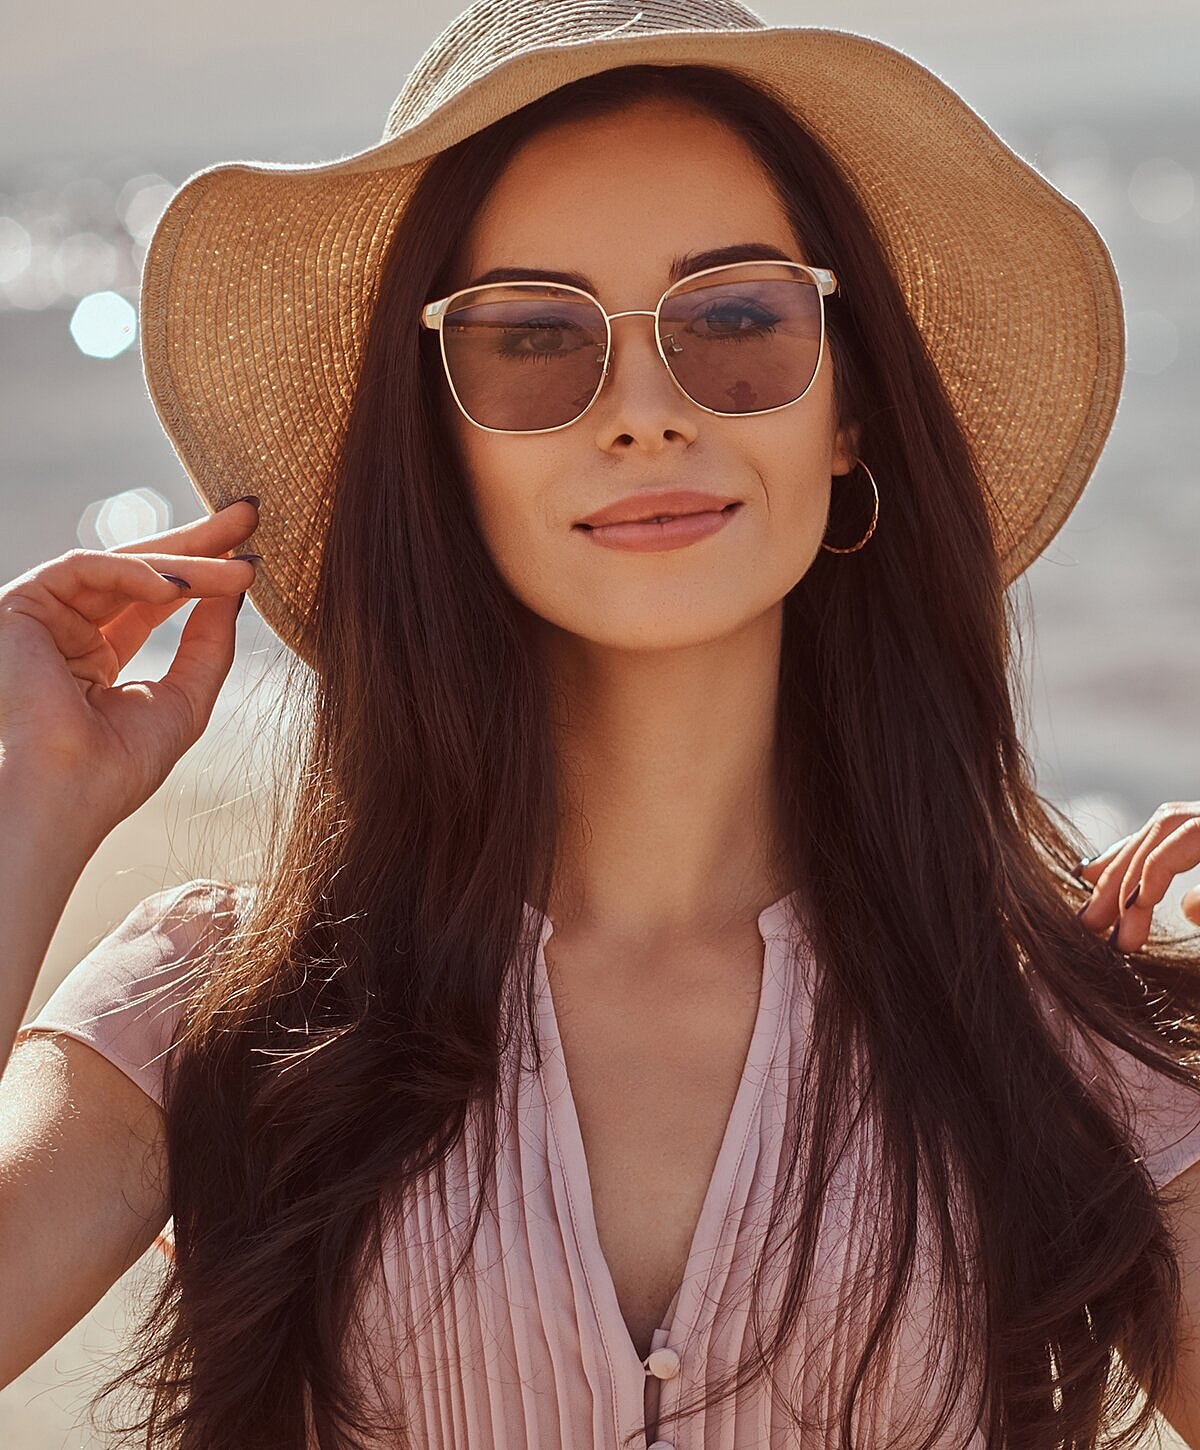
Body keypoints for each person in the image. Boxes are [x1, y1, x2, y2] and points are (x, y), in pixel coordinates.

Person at [2, 1, 1199, 1445]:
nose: (642, 408)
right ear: (434, 441)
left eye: (738, 320)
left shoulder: (1060, 1036)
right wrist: (31, 794)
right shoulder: (218, 1015)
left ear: (848, 410)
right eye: (531, 338)